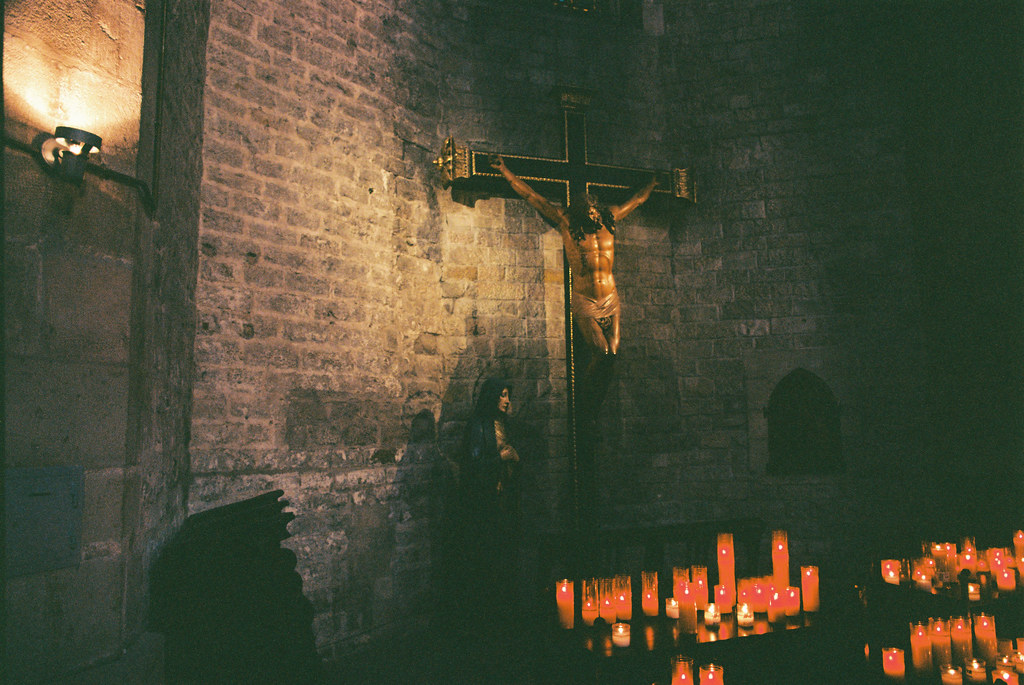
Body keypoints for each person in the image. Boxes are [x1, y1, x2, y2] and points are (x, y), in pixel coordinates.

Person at [490, 156, 657, 416]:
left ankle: (594, 402)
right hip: (585, 300)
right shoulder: (568, 223)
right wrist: (505, 172)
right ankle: (585, 399)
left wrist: (654, 183)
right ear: (580, 213)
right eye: (588, 213)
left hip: (611, 297)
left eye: (594, 211)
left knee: (613, 353)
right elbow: (533, 197)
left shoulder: (610, 218)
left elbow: (637, 200)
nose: (593, 216)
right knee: (602, 352)